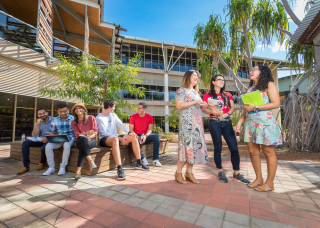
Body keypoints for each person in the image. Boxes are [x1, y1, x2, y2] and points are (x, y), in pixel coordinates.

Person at [235, 65, 282, 192]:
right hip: (251, 124)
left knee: (268, 152)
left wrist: (255, 107)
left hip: (265, 123)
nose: (251, 71)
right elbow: (246, 109)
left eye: (254, 69)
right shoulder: (251, 89)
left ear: (262, 72)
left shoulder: (269, 85)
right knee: (253, 152)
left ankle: (269, 183)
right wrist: (240, 122)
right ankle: (259, 179)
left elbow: (276, 103)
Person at [202, 75, 250, 184]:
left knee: (234, 148)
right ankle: (220, 171)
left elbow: (232, 107)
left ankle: (236, 174)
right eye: (219, 80)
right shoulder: (207, 95)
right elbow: (204, 109)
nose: (222, 81)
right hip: (214, 122)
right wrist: (213, 112)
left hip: (227, 122)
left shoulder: (227, 94)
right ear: (213, 82)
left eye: (223, 80)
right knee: (218, 148)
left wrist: (226, 114)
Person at [96, 99, 150, 180]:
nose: (114, 108)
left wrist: (129, 132)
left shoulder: (113, 115)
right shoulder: (99, 117)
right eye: (114, 106)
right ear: (109, 107)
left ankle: (139, 162)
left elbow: (121, 124)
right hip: (105, 139)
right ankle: (120, 169)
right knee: (115, 140)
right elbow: (104, 133)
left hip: (115, 136)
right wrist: (119, 138)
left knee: (134, 137)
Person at [175, 70, 209, 184]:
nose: (197, 78)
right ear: (188, 77)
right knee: (186, 148)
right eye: (194, 75)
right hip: (187, 124)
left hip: (197, 124)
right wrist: (195, 102)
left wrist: (205, 106)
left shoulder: (196, 93)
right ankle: (178, 172)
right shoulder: (181, 90)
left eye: (198, 76)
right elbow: (179, 105)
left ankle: (189, 173)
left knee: (193, 148)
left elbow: (199, 108)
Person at [17, 108, 53, 175]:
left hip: (52, 139)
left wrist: (48, 139)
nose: (42, 115)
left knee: (43, 147)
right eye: (40, 114)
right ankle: (26, 166)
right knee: (25, 143)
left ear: (47, 113)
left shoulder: (54, 120)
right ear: (38, 115)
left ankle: (42, 162)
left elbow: (59, 133)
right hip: (42, 139)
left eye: (43, 113)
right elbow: (34, 135)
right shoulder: (39, 122)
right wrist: (37, 124)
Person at [43, 103, 75, 176]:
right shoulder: (55, 119)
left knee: (66, 145)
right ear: (58, 111)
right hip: (59, 138)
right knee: (48, 147)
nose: (63, 113)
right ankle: (51, 167)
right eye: (60, 112)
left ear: (68, 111)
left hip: (70, 138)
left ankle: (62, 167)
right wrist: (54, 137)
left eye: (64, 111)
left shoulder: (73, 119)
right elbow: (51, 131)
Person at [129, 102, 162, 167]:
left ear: (144, 109)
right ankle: (142, 158)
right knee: (130, 142)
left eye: (140, 108)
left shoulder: (149, 117)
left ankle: (155, 159)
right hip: (136, 136)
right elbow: (131, 130)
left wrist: (145, 136)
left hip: (145, 136)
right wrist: (136, 136)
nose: (138, 110)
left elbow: (150, 130)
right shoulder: (133, 117)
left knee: (156, 137)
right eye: (137, 108)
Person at [71, 103, 98, 180]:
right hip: (80, 140)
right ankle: (90, 161)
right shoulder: (73, 122)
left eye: (80, 108)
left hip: (91, 140)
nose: (78, 110)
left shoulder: (91, 118)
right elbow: (77, 134)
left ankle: (78, 172)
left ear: (84, 109)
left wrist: (90, 136)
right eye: (76, 108)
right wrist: (86, 133)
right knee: (82, 139)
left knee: (83, 148)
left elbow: (95, 131)